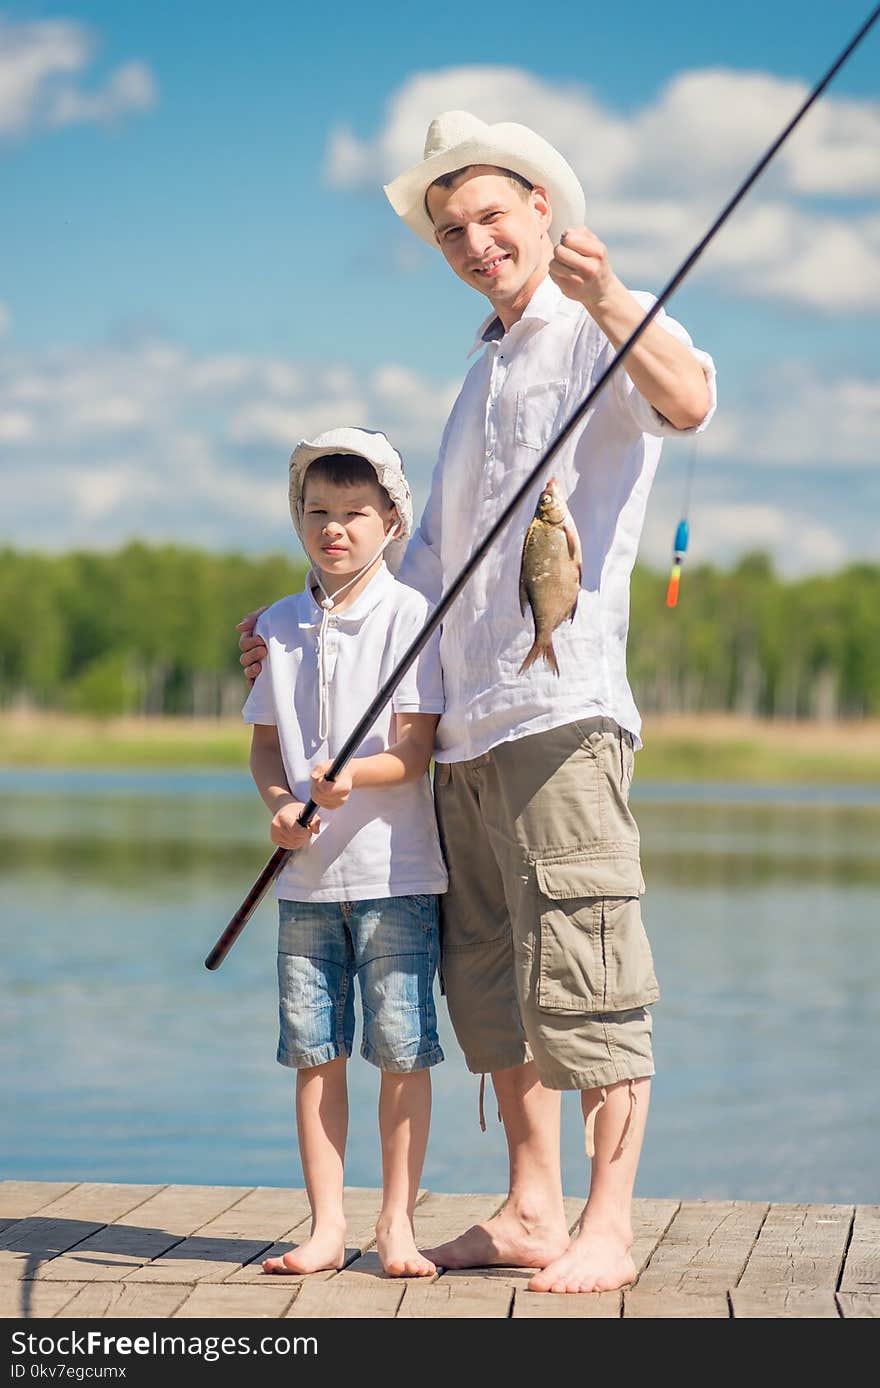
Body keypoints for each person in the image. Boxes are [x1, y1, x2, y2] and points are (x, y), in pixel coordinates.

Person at [240, 112, 716, 1294]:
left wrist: (614, 301)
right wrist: (292, 630)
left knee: (592, 969)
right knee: (493, 985)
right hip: (461, 734)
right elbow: (421, 577)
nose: (473, 239)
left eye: (492, 216)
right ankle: (530, 1205)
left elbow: (692, 397)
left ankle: (606, 1219)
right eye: (451, 228)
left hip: (561, 719)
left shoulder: (600, 328)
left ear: (543, 211)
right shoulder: (476, 374)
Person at [243, 426, 448, 1279]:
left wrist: (346, 775)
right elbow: (263, 749)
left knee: (400, 1051)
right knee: (314, 1054)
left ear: (391, 520)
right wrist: (281, 809)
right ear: (298, 521)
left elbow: (414, 750)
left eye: (355, 513)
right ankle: (327, 1229)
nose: (334, 528)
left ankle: (395, 1224)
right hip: (305, 886)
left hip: (395, 876)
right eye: (317, 511)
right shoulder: (280, 625)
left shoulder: (410, 614)